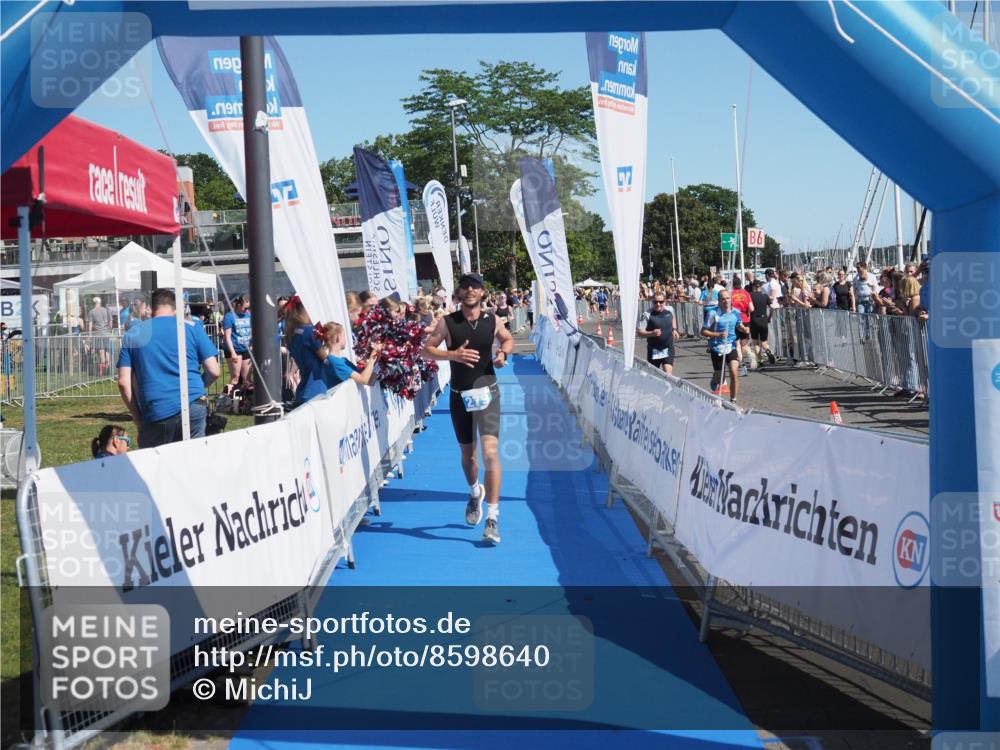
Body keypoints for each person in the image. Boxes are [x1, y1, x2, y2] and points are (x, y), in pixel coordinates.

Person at [422, 272, 514, 545]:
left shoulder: (493, 319)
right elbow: (426, 350)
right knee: (469, 457)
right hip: (460, 395)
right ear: (459, 294)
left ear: (483, 292)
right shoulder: (447, 323)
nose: (470, 290)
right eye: (465, 286)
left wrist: (502, 354)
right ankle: (475, 492)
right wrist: (453, 355)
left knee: (490, 453)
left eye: (475, 286)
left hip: (488, 392)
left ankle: (493, 518)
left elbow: (507, 339)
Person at [117, 288, 221, 448]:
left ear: (149, 308)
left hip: (156, 408)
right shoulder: (192, 327)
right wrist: (196, 388)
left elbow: (124, 383)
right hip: (194, 403)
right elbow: (214, 370)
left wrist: (137, 417)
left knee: (156, 465)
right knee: (193, 460)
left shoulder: (133, 334)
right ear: (176, 308)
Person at [701, 290, 746, 404]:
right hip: (717, 347)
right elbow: (703, 331)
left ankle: (733, 400)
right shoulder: (713, 314)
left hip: (731, 346)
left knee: (734, 372)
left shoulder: (735, 312)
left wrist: (743, 329)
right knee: (720, 378)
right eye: (723, 299)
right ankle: (715, 378)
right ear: (719, 301)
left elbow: (738, 324)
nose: (726, 301)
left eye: (727, 298)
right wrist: (718, 335)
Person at [283, 296, 329, 407]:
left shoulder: (293, 333)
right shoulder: (309, 331)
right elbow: (327, 360)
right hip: (317, 390)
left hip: (304, 389)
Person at [319, 322, 382, 387]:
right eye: (344, 335)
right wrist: (372, 359)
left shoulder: (343, 360)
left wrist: (376, 361)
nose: (345, 338)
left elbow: (369, 381)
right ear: (338, 337)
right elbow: (363, 380)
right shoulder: (334, 361)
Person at [637, 292, 679, 375]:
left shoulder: (669, 310)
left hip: (668, 348)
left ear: (665, 301)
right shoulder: (647, 314)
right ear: (652, 302)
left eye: (661, 302)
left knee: (668, 375)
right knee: (654, 375)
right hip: (654, 349)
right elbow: (640, 332)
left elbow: (673, 317)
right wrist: (651, 333)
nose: (658, 304)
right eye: (655, 302)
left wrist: (674, 329)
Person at [223, 295, 253, 395]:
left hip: (246, 348)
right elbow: (227, 336)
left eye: (248, 308)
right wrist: (233, 353)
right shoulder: (229, 316)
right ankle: (230, 400)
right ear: (239, 305)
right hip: (235, 348)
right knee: (235, 376)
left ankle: (245, 401)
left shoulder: (249, 315)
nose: (247, 310)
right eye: (245, 307)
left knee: (247, 378)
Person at [748, 280, 776, 365]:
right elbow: (772, 307)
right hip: (763, 319)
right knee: (764, 341)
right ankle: (768, 351)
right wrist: (770, 317)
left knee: (755, 341)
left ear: (753, 287)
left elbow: (749, 308)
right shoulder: (765, 296)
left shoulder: (750, 295)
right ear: (760, 287)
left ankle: (759, 360)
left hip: (754, 319)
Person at [730, 275, 754, 371]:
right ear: (740, 284)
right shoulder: (746, 293)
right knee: (744, 343)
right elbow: (752, 308)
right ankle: (751, 355)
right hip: (745, 319)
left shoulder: (730, 294)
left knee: (736, 343)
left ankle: (740, 362)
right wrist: (747, 312)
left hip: (734, 320)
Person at [87, 295, 113, 375]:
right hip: (106, 333)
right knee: (107, 351)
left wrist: (89, 335)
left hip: (98, 333)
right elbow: (111, 322)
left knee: (101, 351)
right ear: (100, 302)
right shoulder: (106, 310)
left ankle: (103, 370)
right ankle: (109, 368)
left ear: (93, 302)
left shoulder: (91, 311)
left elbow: (90, 325)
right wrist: (108, 329)